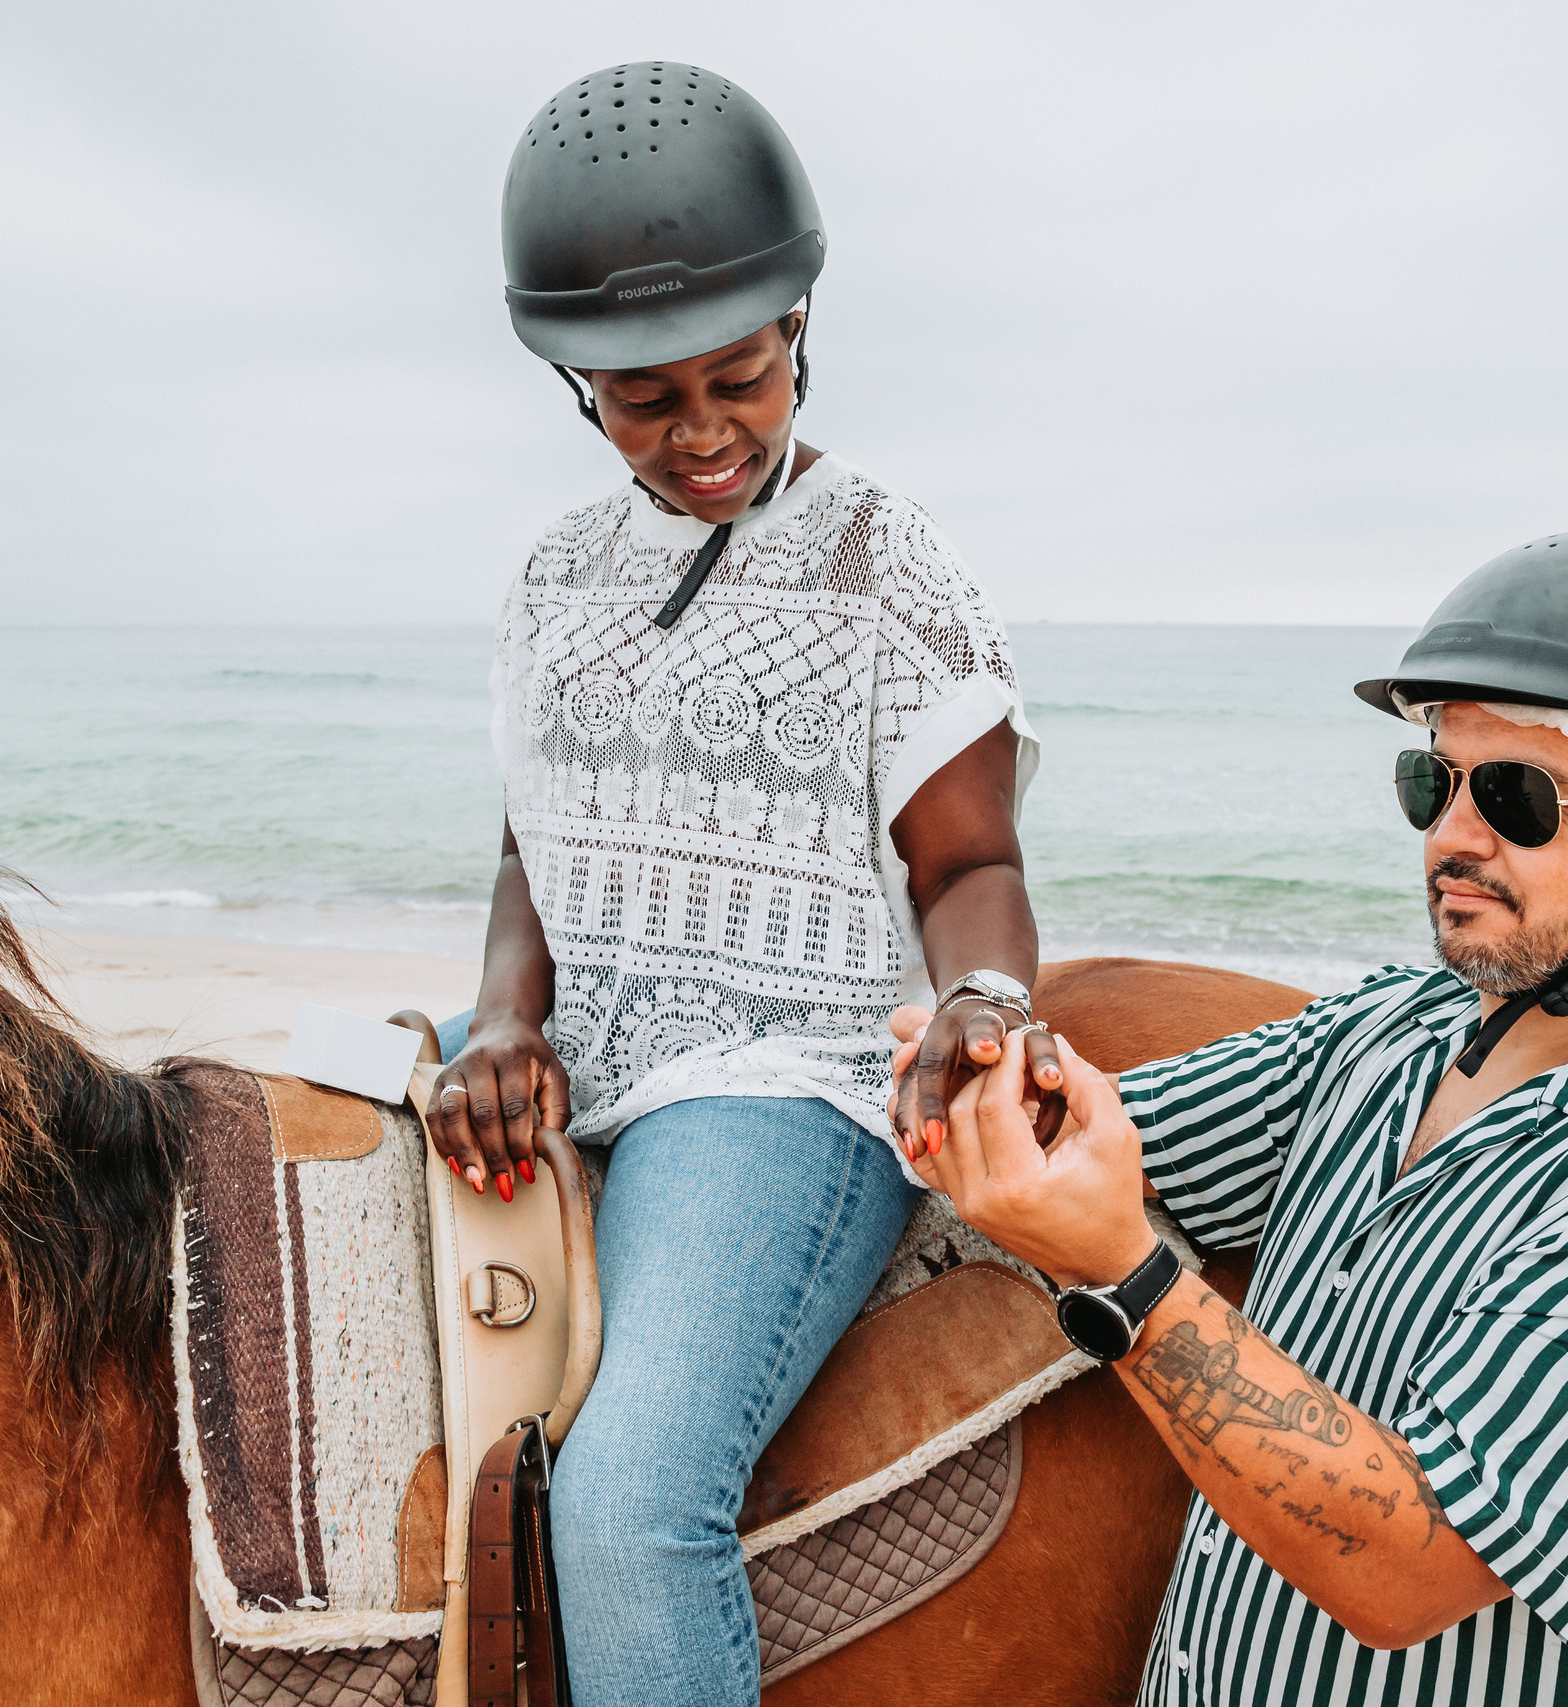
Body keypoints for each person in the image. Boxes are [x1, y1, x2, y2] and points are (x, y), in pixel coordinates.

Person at [894, 531, 1568, 1705]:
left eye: (1518, 797)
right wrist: (982, 1059)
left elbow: (1409, 1566)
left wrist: (1123, 1279)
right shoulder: (1386, 1031)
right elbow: (1099, 1136)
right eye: (1432, 782)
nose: (1451, 835)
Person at [422, 60, 1062, 1707]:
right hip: (584, 1073)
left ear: (797, 335)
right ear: (576, 385)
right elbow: (530, 852)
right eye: (649, 401)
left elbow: (973, 860)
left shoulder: (886, 560)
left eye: (743, 376)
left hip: (781, 1083)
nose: (706, 432)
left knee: (631, 1508)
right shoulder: (553, 578)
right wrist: (502, 1016)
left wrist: (985, 1003)